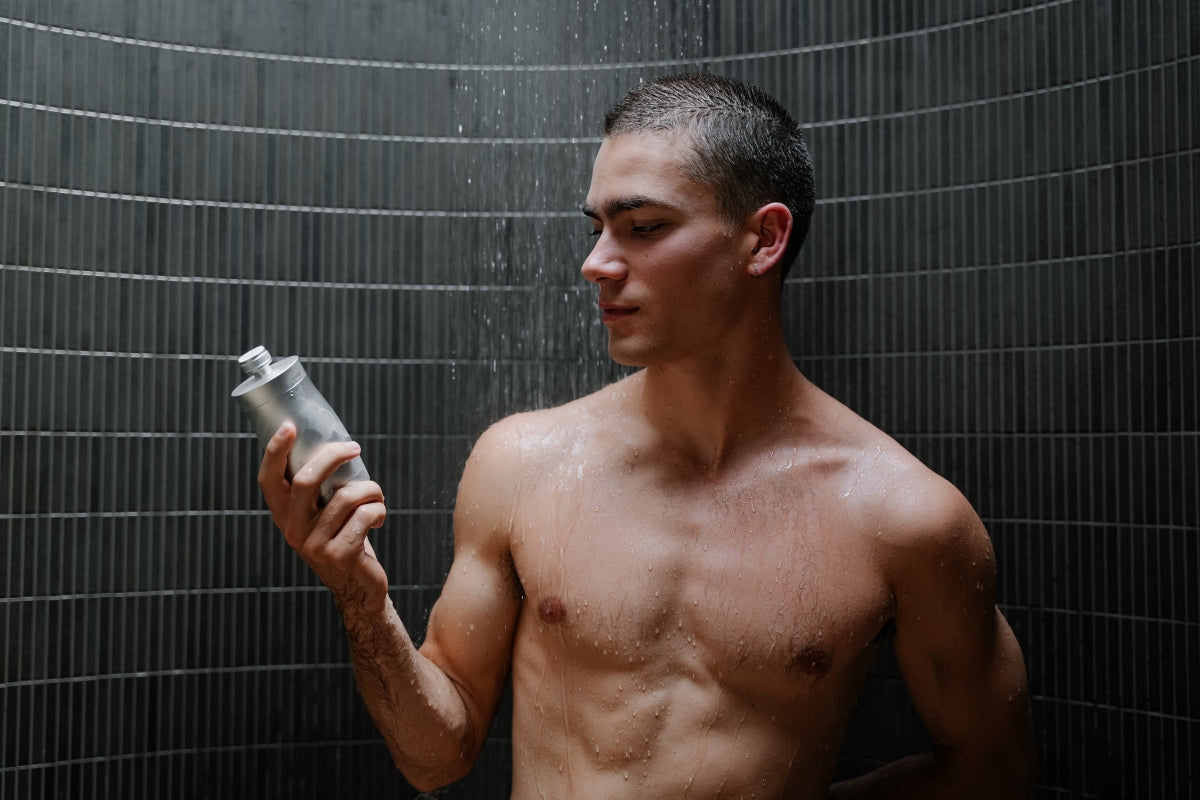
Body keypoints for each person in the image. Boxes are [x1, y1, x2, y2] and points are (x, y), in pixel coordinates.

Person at [257, 72, 1034, 798]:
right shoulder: (524, 463)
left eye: (643, 227)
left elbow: (990, 769)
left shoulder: (904, 518)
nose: (596, 263)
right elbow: (437, 756)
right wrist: (361, 598)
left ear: (762, 241)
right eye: (597, 228)